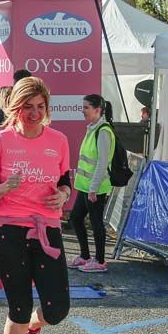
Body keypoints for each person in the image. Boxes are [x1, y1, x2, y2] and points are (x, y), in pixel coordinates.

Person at [0, 77, 72, 334]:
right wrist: (5, 188)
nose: (34, 113)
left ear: (47, 108)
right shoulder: (0, 142)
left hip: (46, 228)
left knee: (57, 309)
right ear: (15, 108)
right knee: (18, 306)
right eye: (27, 107)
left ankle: (34, 327)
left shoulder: (58, 141)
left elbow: (64, 182)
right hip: (8, 229)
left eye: (40, 107)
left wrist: (62, 195)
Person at [68, 94, 115, 274]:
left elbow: (102, 163)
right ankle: (85, 256)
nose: (83, 110)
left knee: (96, 223)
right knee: (76, 218)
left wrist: (94, 188)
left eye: (86, 107)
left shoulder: (103, 131)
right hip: (86, 186)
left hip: (95, 188)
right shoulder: (93, 128)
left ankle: (100, 261)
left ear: (98, 110)